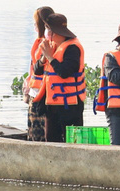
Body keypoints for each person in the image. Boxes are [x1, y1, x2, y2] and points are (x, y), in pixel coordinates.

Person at [36, 13, 86, 143]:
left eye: (49, 28)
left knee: (73, 142)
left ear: (56, 31)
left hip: (70, 106)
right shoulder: (52, 45)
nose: (47, 31)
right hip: (52, 104)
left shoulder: (72, 48)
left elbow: (65, 72)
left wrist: (50, 57)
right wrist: (44, 57)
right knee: (51, 140)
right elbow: (37, 71)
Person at [23, 6, 54, 142]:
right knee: (33, 131)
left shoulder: (47, 44)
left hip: (41, 94)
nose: (34, 26)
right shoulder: (39, 43)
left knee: (39, 133)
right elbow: (33, 68)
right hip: (34, 91)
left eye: (36, 23)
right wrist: (26, 90)